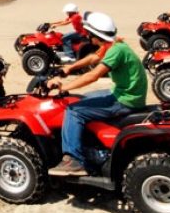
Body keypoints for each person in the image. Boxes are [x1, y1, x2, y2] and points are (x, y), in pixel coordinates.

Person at [44, 12, 148, 176]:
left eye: (89, 33)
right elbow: (93, 58)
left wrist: (64, 87)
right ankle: (84, 140)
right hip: (123, 92)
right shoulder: (114, 45)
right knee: (82, 99)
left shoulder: (116, 51)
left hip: (126, 100)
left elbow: (93, 75)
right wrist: (68, 69)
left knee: (73, 111)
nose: (87, 36)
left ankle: (74, 160)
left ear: (95, 34)